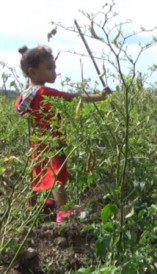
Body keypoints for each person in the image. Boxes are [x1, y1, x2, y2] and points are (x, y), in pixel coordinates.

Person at [14, 45, 111, 223]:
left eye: (54, 67)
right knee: (57, 175)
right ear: (32, 72)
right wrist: (100, 95)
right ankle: (63, 211)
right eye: (49, 68)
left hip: (38, 142)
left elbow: (18, 109)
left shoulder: (26, 94)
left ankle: (33, 207)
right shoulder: (46, 92)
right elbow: (77, 97)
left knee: (38, 172)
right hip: (54, 141)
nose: (54, 72)